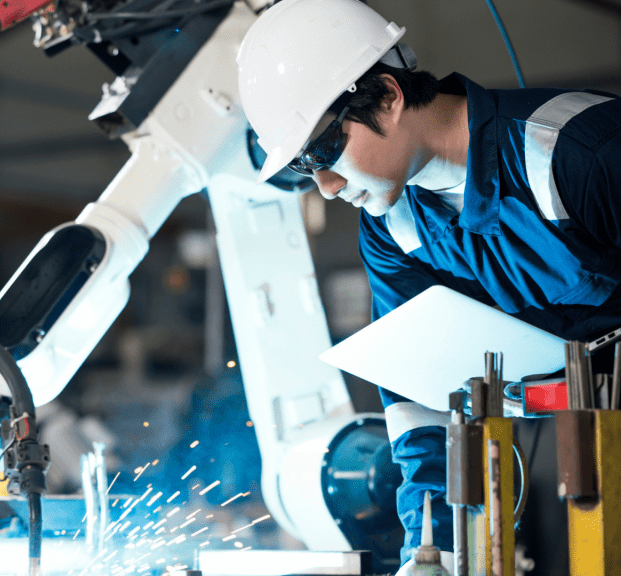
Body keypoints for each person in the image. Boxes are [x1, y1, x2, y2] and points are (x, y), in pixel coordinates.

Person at [236, 0, 621, 571]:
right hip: (584, 457)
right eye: (303, 170)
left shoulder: (575, 151)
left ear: (388, 97)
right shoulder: (394, 230)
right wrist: (432, 546)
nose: (325, 185)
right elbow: (423, 397)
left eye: (323, 151)